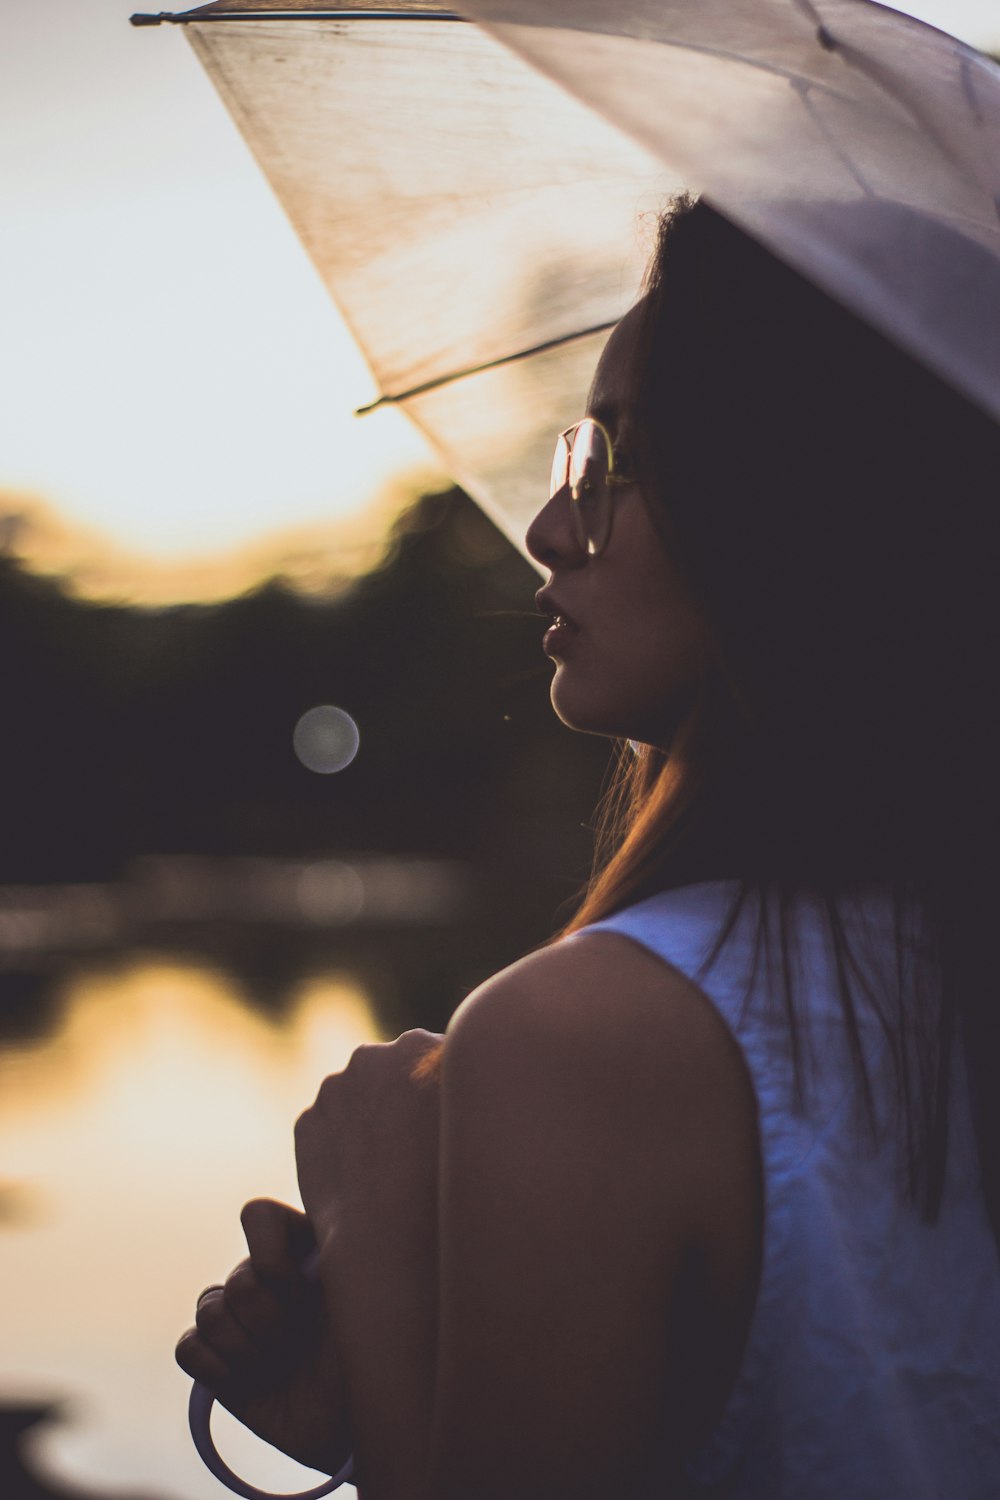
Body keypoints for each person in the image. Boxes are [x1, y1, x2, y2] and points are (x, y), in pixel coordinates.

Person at [176, 199, 1000, 1498]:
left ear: (783, 516)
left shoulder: (587, 1036)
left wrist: (379, 1241)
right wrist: (366, 1417)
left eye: (612, 464)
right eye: (575, 458)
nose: (552, 529)